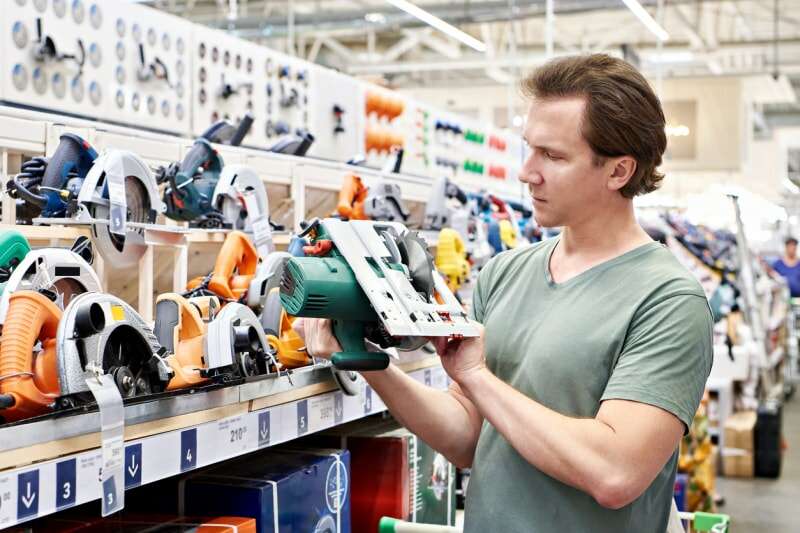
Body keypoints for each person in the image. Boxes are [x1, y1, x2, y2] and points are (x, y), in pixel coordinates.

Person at [294, 54, 713, 532]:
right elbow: (467, 436)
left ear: (619, 171)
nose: (526, 172)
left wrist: (477, 376)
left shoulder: (667, 300)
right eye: (528, 149)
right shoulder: (504, 273)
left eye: (553, 156)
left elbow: (615, 472)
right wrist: (370, 361)